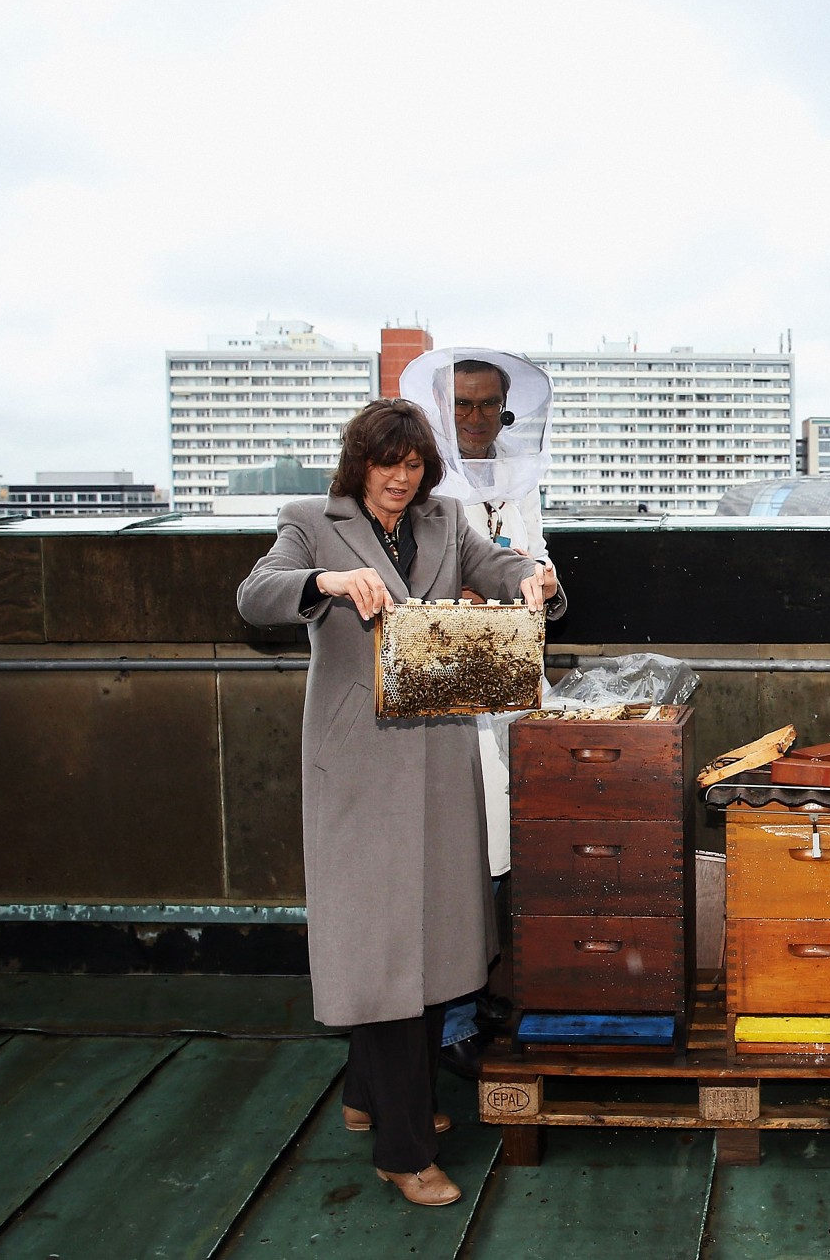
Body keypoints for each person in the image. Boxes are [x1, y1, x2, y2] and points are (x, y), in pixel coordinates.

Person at [236, 399, 565, 1208]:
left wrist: (536, 578)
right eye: (387, 463)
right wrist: (325, 581)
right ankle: (404, 1147)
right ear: (359, 463)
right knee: (381, 945)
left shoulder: (447, 521)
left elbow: (502, 570)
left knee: (431, 935)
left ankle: (367, 1094)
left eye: (414, 464)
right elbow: (256, 595)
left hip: (440, 762)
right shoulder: (309, 520)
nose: (400, 478)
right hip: (358, 768)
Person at [399, 348, 561, 1077]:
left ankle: (482, 992)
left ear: (507, 410)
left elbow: (534, 557)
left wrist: (542, 581)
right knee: (461, 849)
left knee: (511, 841)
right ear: (442, 408)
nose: (474, 417)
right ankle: (451, 1020)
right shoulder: (420, 478)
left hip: (512, 674)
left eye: (488, 404)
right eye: (461, 404)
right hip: (446, 680)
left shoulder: (519, 478)